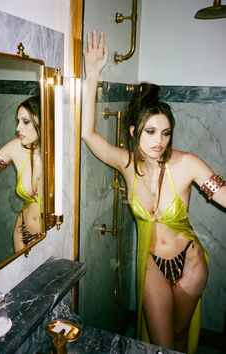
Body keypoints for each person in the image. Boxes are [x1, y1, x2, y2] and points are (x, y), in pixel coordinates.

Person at [82, 29, 226, 354]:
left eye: (165, 132)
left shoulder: (186, 164)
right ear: (134, 132)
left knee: (178, 337)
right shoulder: (125, 163)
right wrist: (93, 74)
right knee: (162, 346)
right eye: (150, 132)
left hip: (189, 265)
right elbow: (88, 135)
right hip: (153, 266)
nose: (159, 141)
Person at [0, 95, 42, 252]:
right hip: (23, 235)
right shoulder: (17, 148)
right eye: (18, 121)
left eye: (25, 122)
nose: (18, 128)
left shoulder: (63, 154)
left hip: (56, 238)